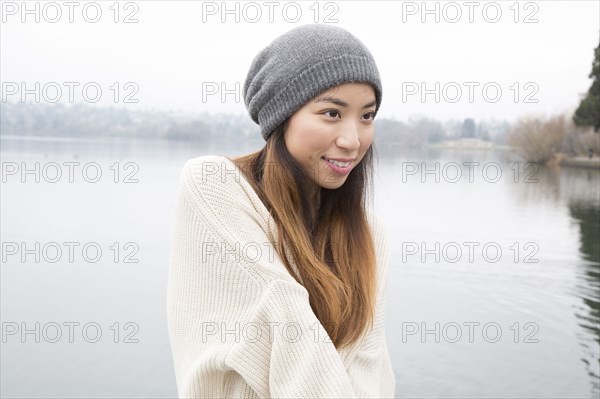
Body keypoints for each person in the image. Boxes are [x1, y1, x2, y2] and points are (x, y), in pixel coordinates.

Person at [166, 24, 395, 398]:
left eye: (366, 116)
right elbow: (284, 320)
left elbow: (369, 366)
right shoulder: (214, 185)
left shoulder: (370, 235)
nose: (353, 140)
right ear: (282, 116)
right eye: (332, 113)